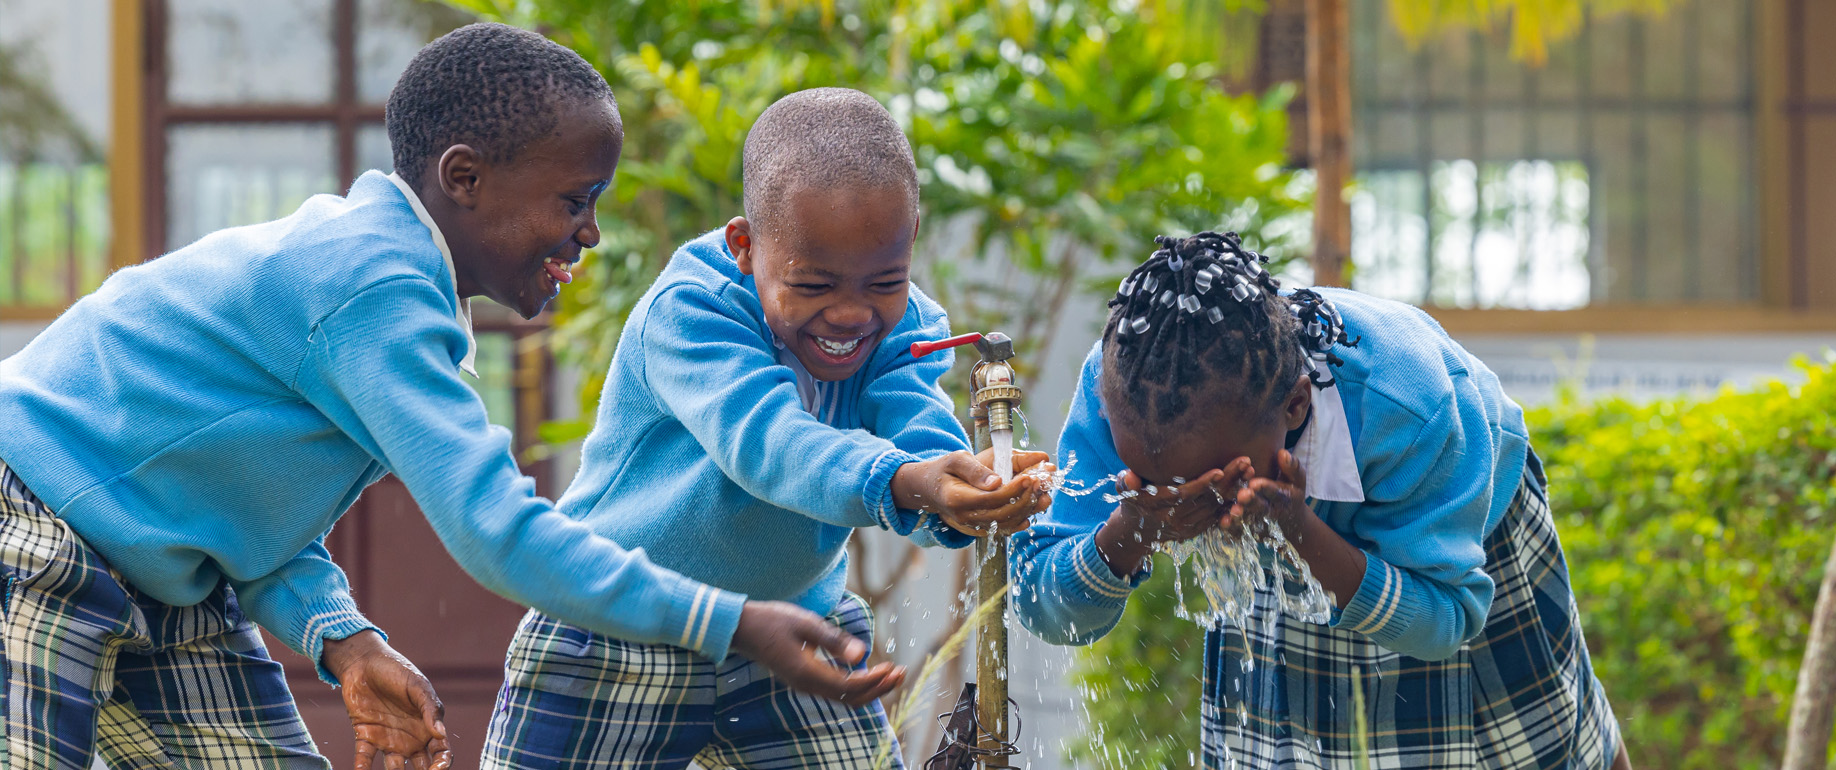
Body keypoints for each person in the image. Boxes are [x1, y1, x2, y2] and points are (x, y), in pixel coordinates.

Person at [0, 25, 890, 770]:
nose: (588, 231)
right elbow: (496, 531)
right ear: (464, 179)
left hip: (171, 584)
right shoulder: (370, 285)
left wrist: (342, 640)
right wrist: (725, 621)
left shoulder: (406, 297)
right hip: (34, 533)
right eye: (574, 200)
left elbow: (232, 510)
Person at [481, 87, 1051, 770]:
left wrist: (965, 489)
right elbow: (767, 444)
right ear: (746, 247)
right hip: (615, 625)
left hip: (796, 629)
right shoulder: (691, 311)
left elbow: (919, 437)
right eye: (813, 286)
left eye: (883, 281)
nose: (851, 314)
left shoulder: (908, 328)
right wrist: (906, 481)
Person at [1009, 231, 1629, 769]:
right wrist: (1130, 528)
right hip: (1282, 522)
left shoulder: (1410, 407)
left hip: (1449, 547)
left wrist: (1298, 528)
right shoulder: (1133, 386)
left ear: (1297, 404)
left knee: (1538, 742)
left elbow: (1446, 622)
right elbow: (1044, 606)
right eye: (1152, 480)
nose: (1185, 501)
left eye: (1212, 479)